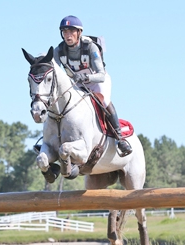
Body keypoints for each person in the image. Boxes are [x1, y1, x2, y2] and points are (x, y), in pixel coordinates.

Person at [53, 15, 133, 157]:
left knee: (104, 101)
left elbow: (101, 75)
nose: (67, 35)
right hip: (77, 85)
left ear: (79, 32)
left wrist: (85, 77)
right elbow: (55, 73)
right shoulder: (59, 50)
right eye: (65, 32)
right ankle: (51, 139)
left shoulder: (90, 47)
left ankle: (120, 138)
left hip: (96, 82)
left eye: (71, 31)